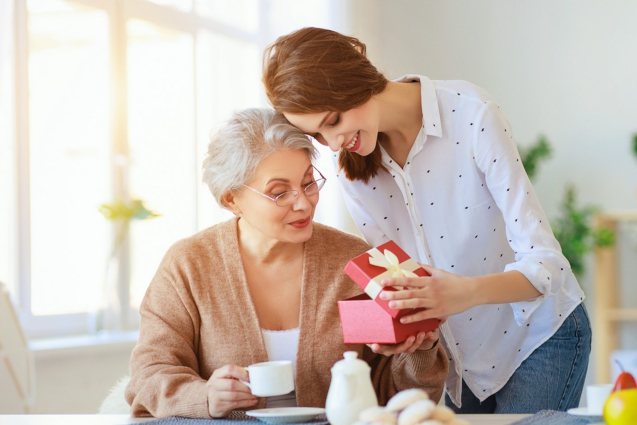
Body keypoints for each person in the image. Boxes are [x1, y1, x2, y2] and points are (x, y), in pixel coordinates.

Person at [262, 27, 592, 414]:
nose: (333, 142)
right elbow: (404, 279)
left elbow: (547, 264)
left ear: (356, 80)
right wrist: (404, 327)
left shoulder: (471, 114)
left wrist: (463, 293)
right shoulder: (352, 172)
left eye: (333, 121)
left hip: (537, 338)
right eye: (317, 135)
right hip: (461, 362)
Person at [124, 108, 448, 418]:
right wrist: (205, 396)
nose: (304, 203)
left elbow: (393, 397)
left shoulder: (354, 261)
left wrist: (420, 347)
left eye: (308, 182)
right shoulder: (188, 265)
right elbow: (148, 376)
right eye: (280, 192)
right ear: (231, 199)